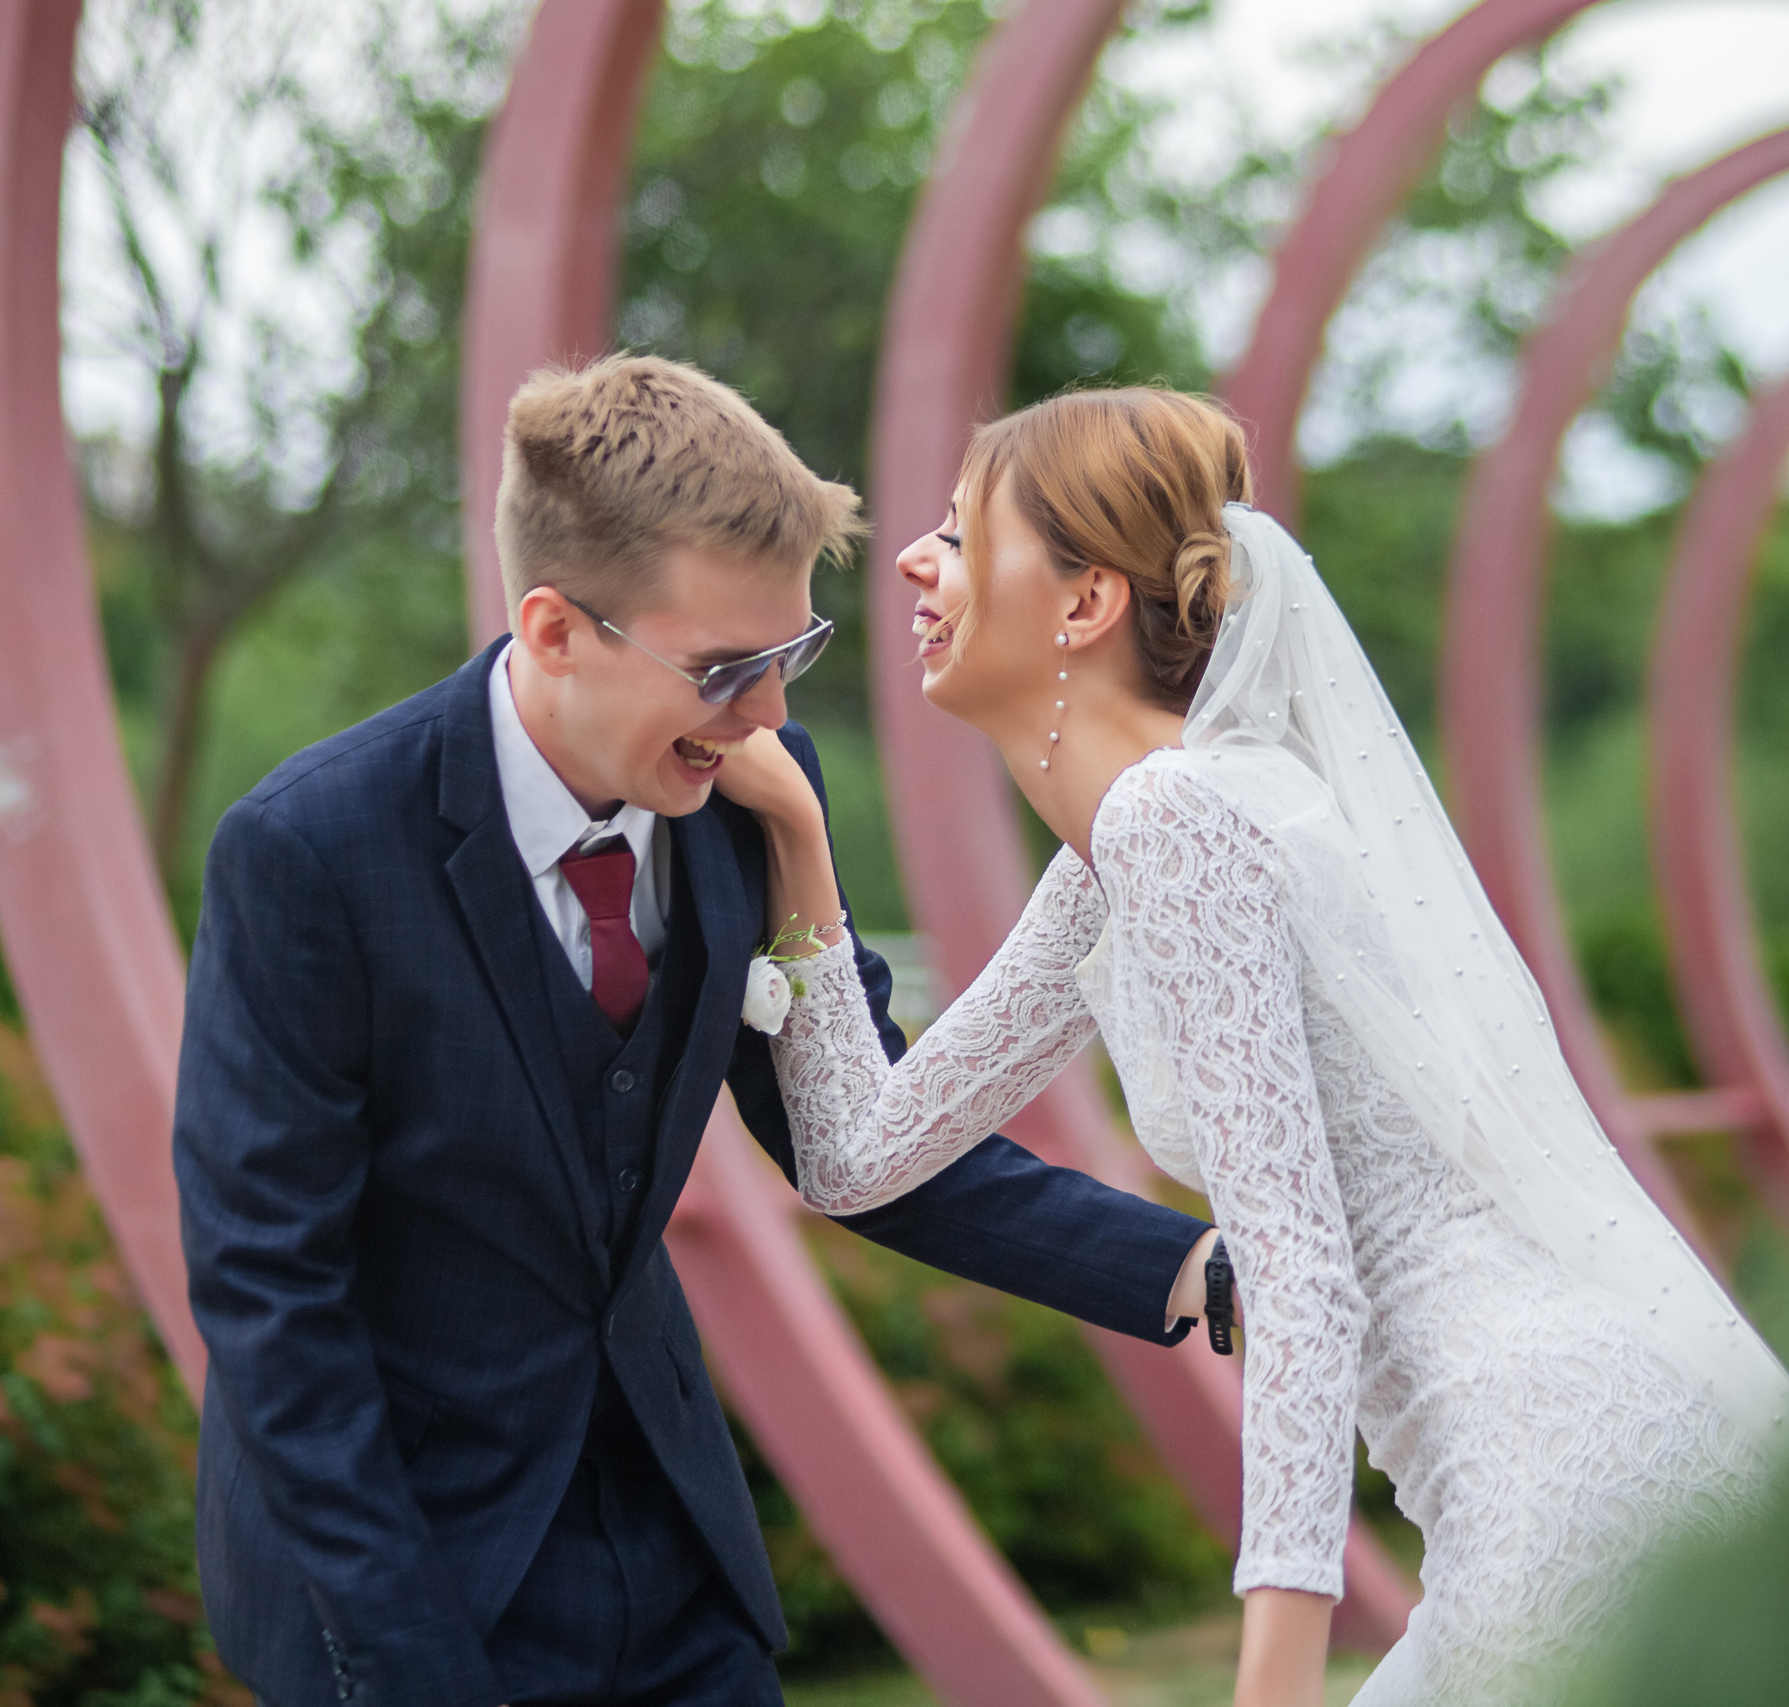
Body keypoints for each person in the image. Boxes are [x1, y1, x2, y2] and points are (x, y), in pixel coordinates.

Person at [710, 386, 1789, 1706]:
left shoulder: (1181, 818)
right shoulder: (1122, 855)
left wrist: (1272, 1681)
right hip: (1561, 1453)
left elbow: (1297, 1276)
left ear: (1083, 605)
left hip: (1562, 1460)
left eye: (959, 532)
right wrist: (799, 843)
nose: (909, 559)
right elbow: (857, 1154)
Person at [172, 355, 1222, 1707]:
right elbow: (274, 1307)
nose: (772, 715)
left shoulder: (747, 792)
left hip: (677, 1571)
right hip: (405, 1590)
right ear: (554, 630)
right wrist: (416, 1670)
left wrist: (1200, 1267)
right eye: (728, 668)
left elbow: (870, 1142)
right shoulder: (306, 853)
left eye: (792, 655)